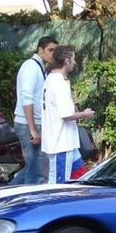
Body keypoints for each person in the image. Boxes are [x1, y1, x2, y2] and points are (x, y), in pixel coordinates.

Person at [41, 46, 95, 184]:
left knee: (79, 174)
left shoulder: (52, 79)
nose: (75, 62)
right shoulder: (58, 82)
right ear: (66, 60)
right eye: (73, 59)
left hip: (66, 142)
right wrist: (85, 113)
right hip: (62, 143)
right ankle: (54, 204)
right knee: (59, 184)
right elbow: (66, 115)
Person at [10, 36, 58, 185]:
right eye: (50, 50)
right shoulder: (30, 67)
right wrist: (32, 129)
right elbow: (27, 98)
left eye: (55, 51)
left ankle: (5, 194)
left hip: (34, 124)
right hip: (28, 125)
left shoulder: (40, 67)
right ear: (40, 50)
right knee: (37, 172)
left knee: (33, 168)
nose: (53, 54)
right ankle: (27, 202)